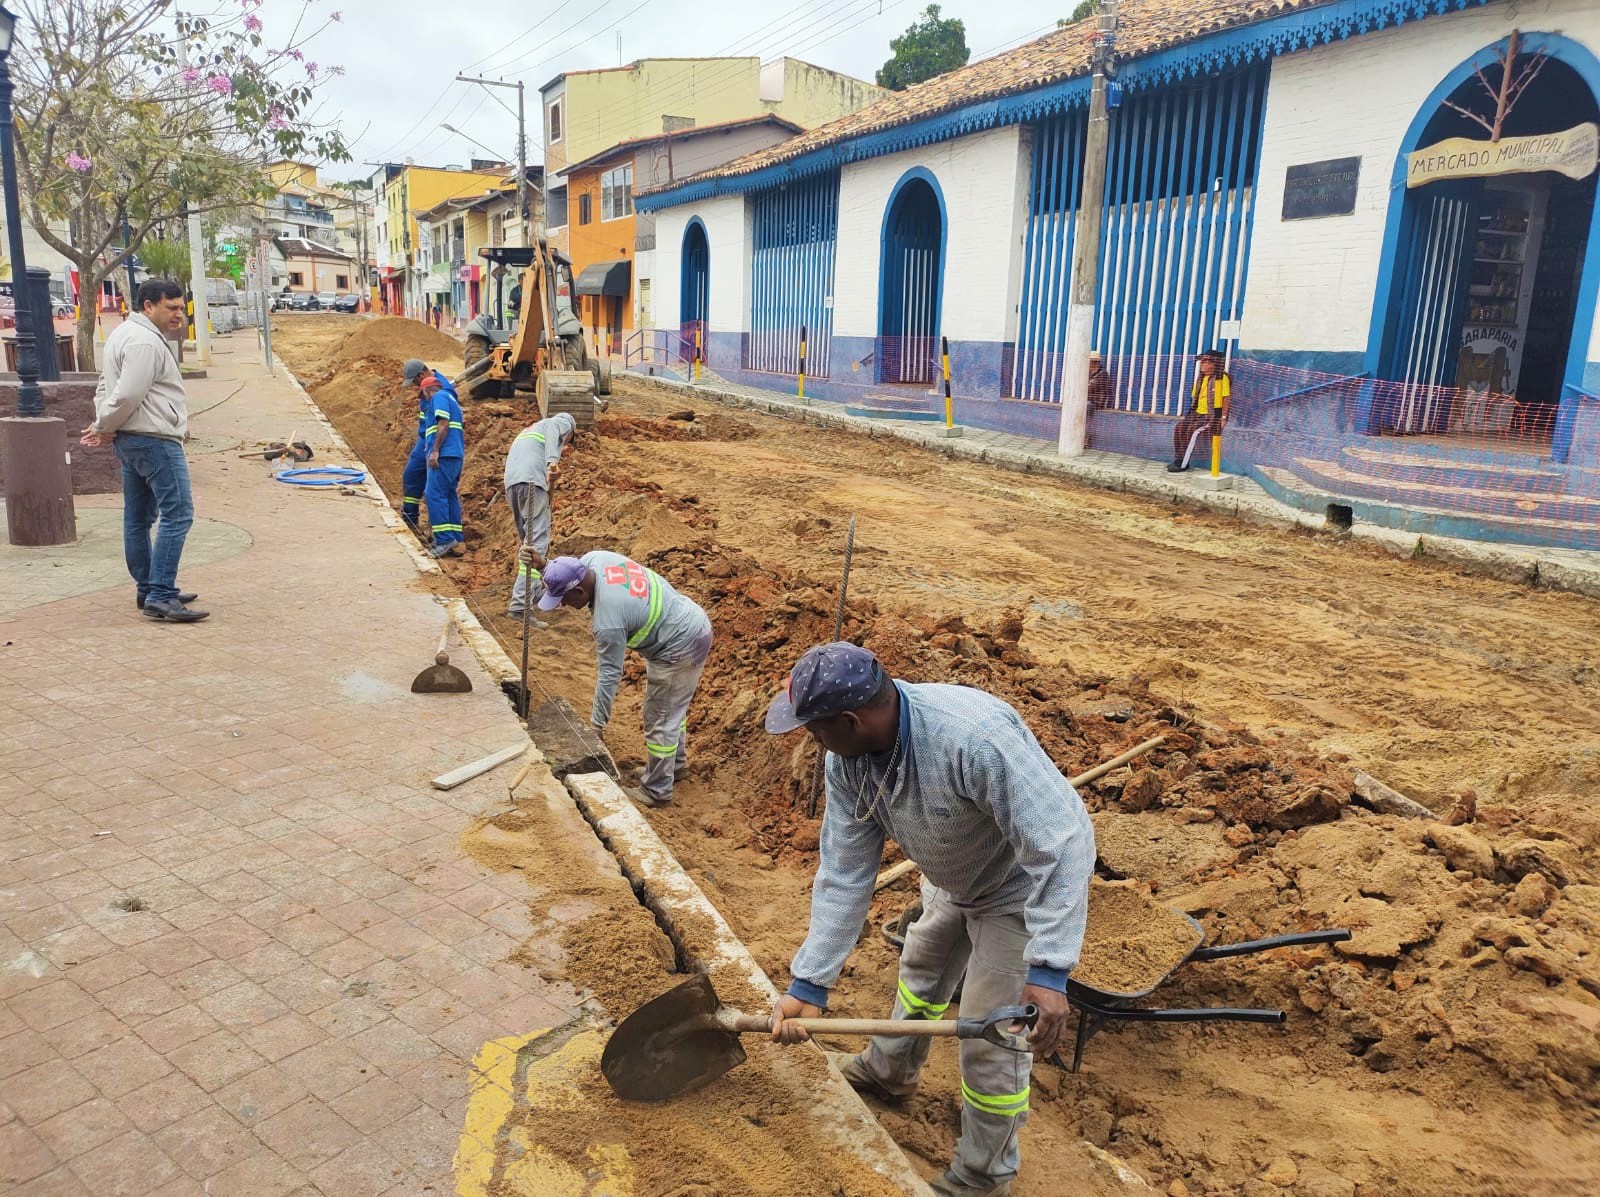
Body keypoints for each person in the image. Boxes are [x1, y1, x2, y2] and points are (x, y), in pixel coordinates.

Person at [765, 643, 1094, 1197]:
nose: (812, 741)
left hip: (1014, 895)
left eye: (817, 729)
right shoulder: (846, 761)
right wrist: (810, 981)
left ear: (851, 720)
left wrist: (1050, 969)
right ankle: (891, 1072)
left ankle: (984, 1177)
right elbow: (845, 871)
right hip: (952, 880)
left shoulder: (971, 737)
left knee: (993, 1041)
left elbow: (1063, 844)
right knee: (920, 974)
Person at [525, 550, 712, 808]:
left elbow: (610, 675)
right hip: (687, 619)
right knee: (670, 709)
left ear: (579, 592)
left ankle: (656, 790)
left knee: (659, 716)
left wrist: (596, 727)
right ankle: (674, 768)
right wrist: (545, 565)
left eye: (564, 599)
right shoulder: (593, 559)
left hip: (680, 644)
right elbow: (569, 569)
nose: (564, 606)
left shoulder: (608, 621)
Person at [79, 279, 208, 622]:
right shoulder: (144, 342)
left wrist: (106, 425)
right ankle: (161, 594)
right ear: (148, 306)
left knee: (137, 518)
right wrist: (103, 426)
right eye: (172, 308)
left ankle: (148, 587)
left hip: (132, 439)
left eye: (181, 307)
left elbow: (106, 388)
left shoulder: (122, 334)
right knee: (178, 513)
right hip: (153, 439)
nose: (179, 314)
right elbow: (126, 394)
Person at [503, 412, 577, 618]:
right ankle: (520, 605)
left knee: (528, 543)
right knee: (535, 546)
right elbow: (556, 428)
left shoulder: (529, 431)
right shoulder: (559, 423)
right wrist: (552, 464)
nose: (568, 442)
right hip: (532, 483)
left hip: (513, 484)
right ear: (570, 431)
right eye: (570, 438)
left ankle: (533, 591)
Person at [400, 358, 465, 557]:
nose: (421, 397)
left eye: (421, 393)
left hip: (443, 452)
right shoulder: (444, 395)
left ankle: (445, 539)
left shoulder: (439, 396)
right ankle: (455, 537)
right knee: (447, 493)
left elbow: (443, 424)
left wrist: (435, 450)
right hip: (452, 452)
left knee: (434, 493)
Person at [1168, 348, 1231, 472]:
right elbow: (1195, 397)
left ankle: (1182, 463)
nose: (1202, 364)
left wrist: (1223, 418)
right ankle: (1179, 459)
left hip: (1210, 415)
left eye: (1206, 362)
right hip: (1196, 413)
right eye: (1202, 361)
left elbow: (1226, 398)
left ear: (1215, 364)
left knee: (1192, 431)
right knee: (1179, 428)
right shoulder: (1201, 378)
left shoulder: (1222, 378)